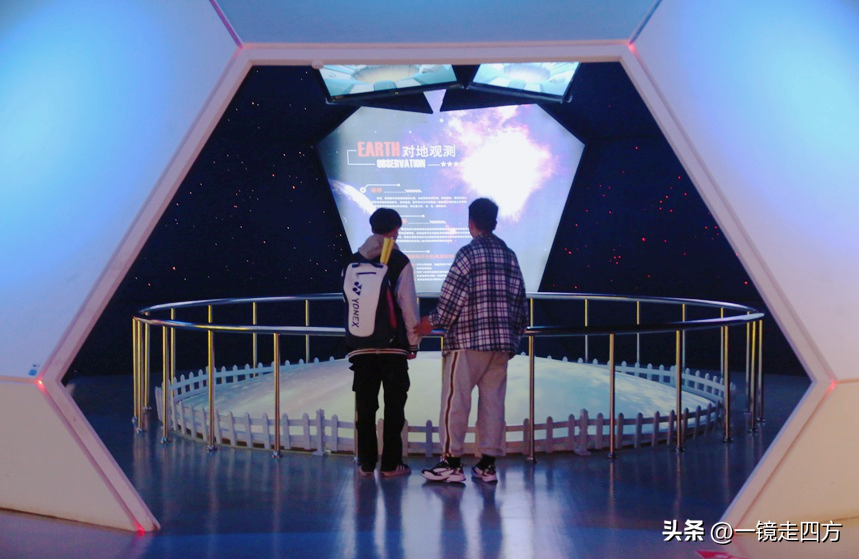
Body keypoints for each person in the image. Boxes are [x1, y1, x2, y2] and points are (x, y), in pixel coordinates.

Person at [418, 198, 528, 483]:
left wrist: (432, 321)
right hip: (501, 345)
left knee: (456, 402)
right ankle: (487, 465)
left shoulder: (467, 254)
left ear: (471, 222)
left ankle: (451, 463)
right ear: (495, 222)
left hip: (467, 341)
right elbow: (520, 301)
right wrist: (514, 337)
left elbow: (451, 299)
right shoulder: (509, 255)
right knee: (493, 404)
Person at [346, 208, 420, 478]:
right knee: (394, 406)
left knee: (365, 407)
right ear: (395, 230)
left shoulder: (352, 262)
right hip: (393, 347)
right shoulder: (400, 261)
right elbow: (407, 305)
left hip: (361, 345)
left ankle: (366, 463)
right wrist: (413, 343)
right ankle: (391, 464)